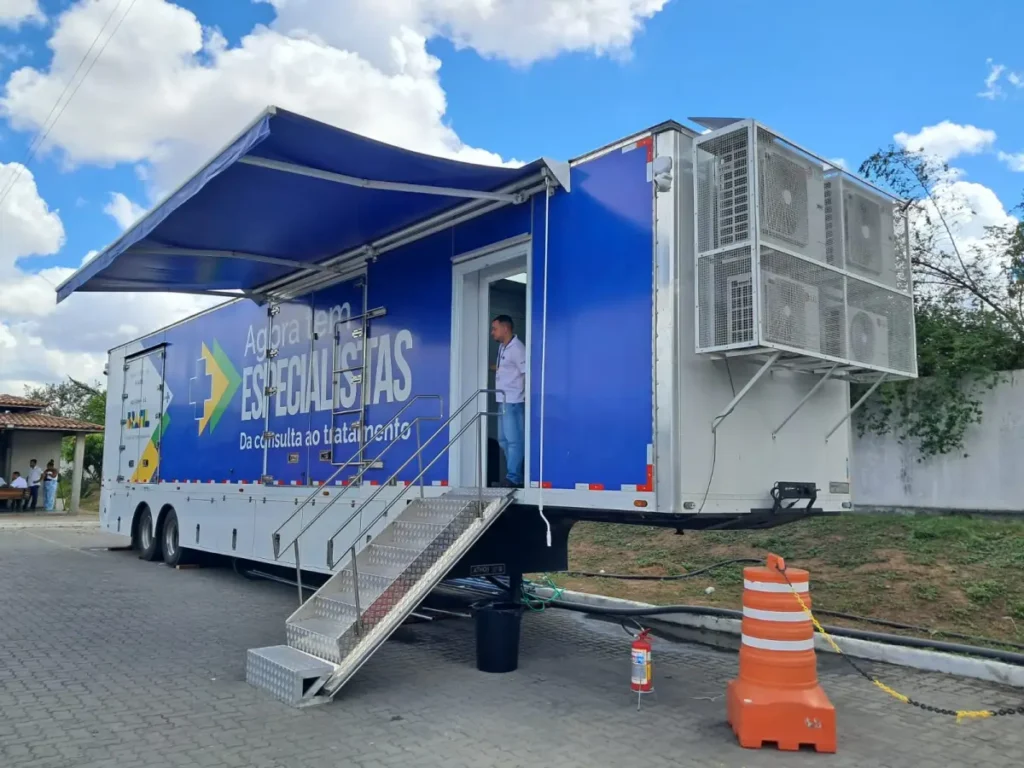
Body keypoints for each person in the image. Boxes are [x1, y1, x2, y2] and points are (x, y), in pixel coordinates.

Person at [490, 314, 526, 488]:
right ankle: (512, 475)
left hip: (513, 401)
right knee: (503, 440)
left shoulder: (517, 348)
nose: (492, 332)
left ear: (505, 328)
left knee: (514, 440)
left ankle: (514, 477)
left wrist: (525, 397)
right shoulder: (503, 347)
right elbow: (504, 369)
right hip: (502, 399)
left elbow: (526, 373)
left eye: (494, 329)